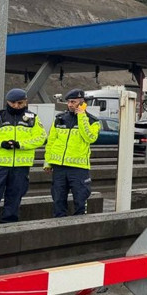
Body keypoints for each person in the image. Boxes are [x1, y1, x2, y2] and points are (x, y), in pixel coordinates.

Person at [0, 88, 47, 225]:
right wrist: (0, 143)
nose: (16, 106)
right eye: (13, 103)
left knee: (15, 197)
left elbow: (41, 137)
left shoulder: (32, 119)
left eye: (20, 103)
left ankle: (9, 225)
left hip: (20, 166)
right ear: (7, 102)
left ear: (25, 102)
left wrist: (21, 144)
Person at [44, 88, 99, 217]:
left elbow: (90, 137)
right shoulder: (59, 119)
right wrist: (48, 162)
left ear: (82, 103)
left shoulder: (92, 121)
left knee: (80, 200)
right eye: (68, 102)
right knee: (58, 200)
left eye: (73, 102)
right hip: (59, 167)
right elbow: (50, 142)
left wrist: (81, 116)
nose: (70, 105)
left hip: (78, 169)